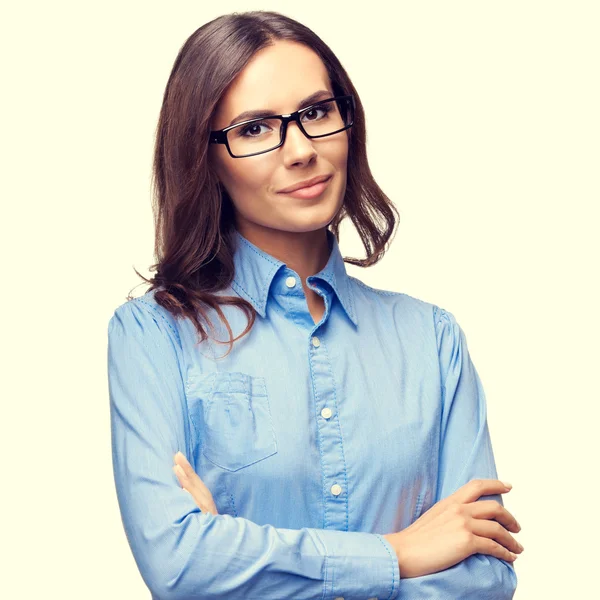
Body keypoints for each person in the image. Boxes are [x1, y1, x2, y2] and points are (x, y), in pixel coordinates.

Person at [107, 10, 522, 600]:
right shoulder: (153, 335)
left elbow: (483, 576)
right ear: (204, 157)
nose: (301, 150)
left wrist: (233, 550)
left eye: (316, 112)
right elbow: (178, 565)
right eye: (254, 128)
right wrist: (398, 554)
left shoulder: (431, 339)